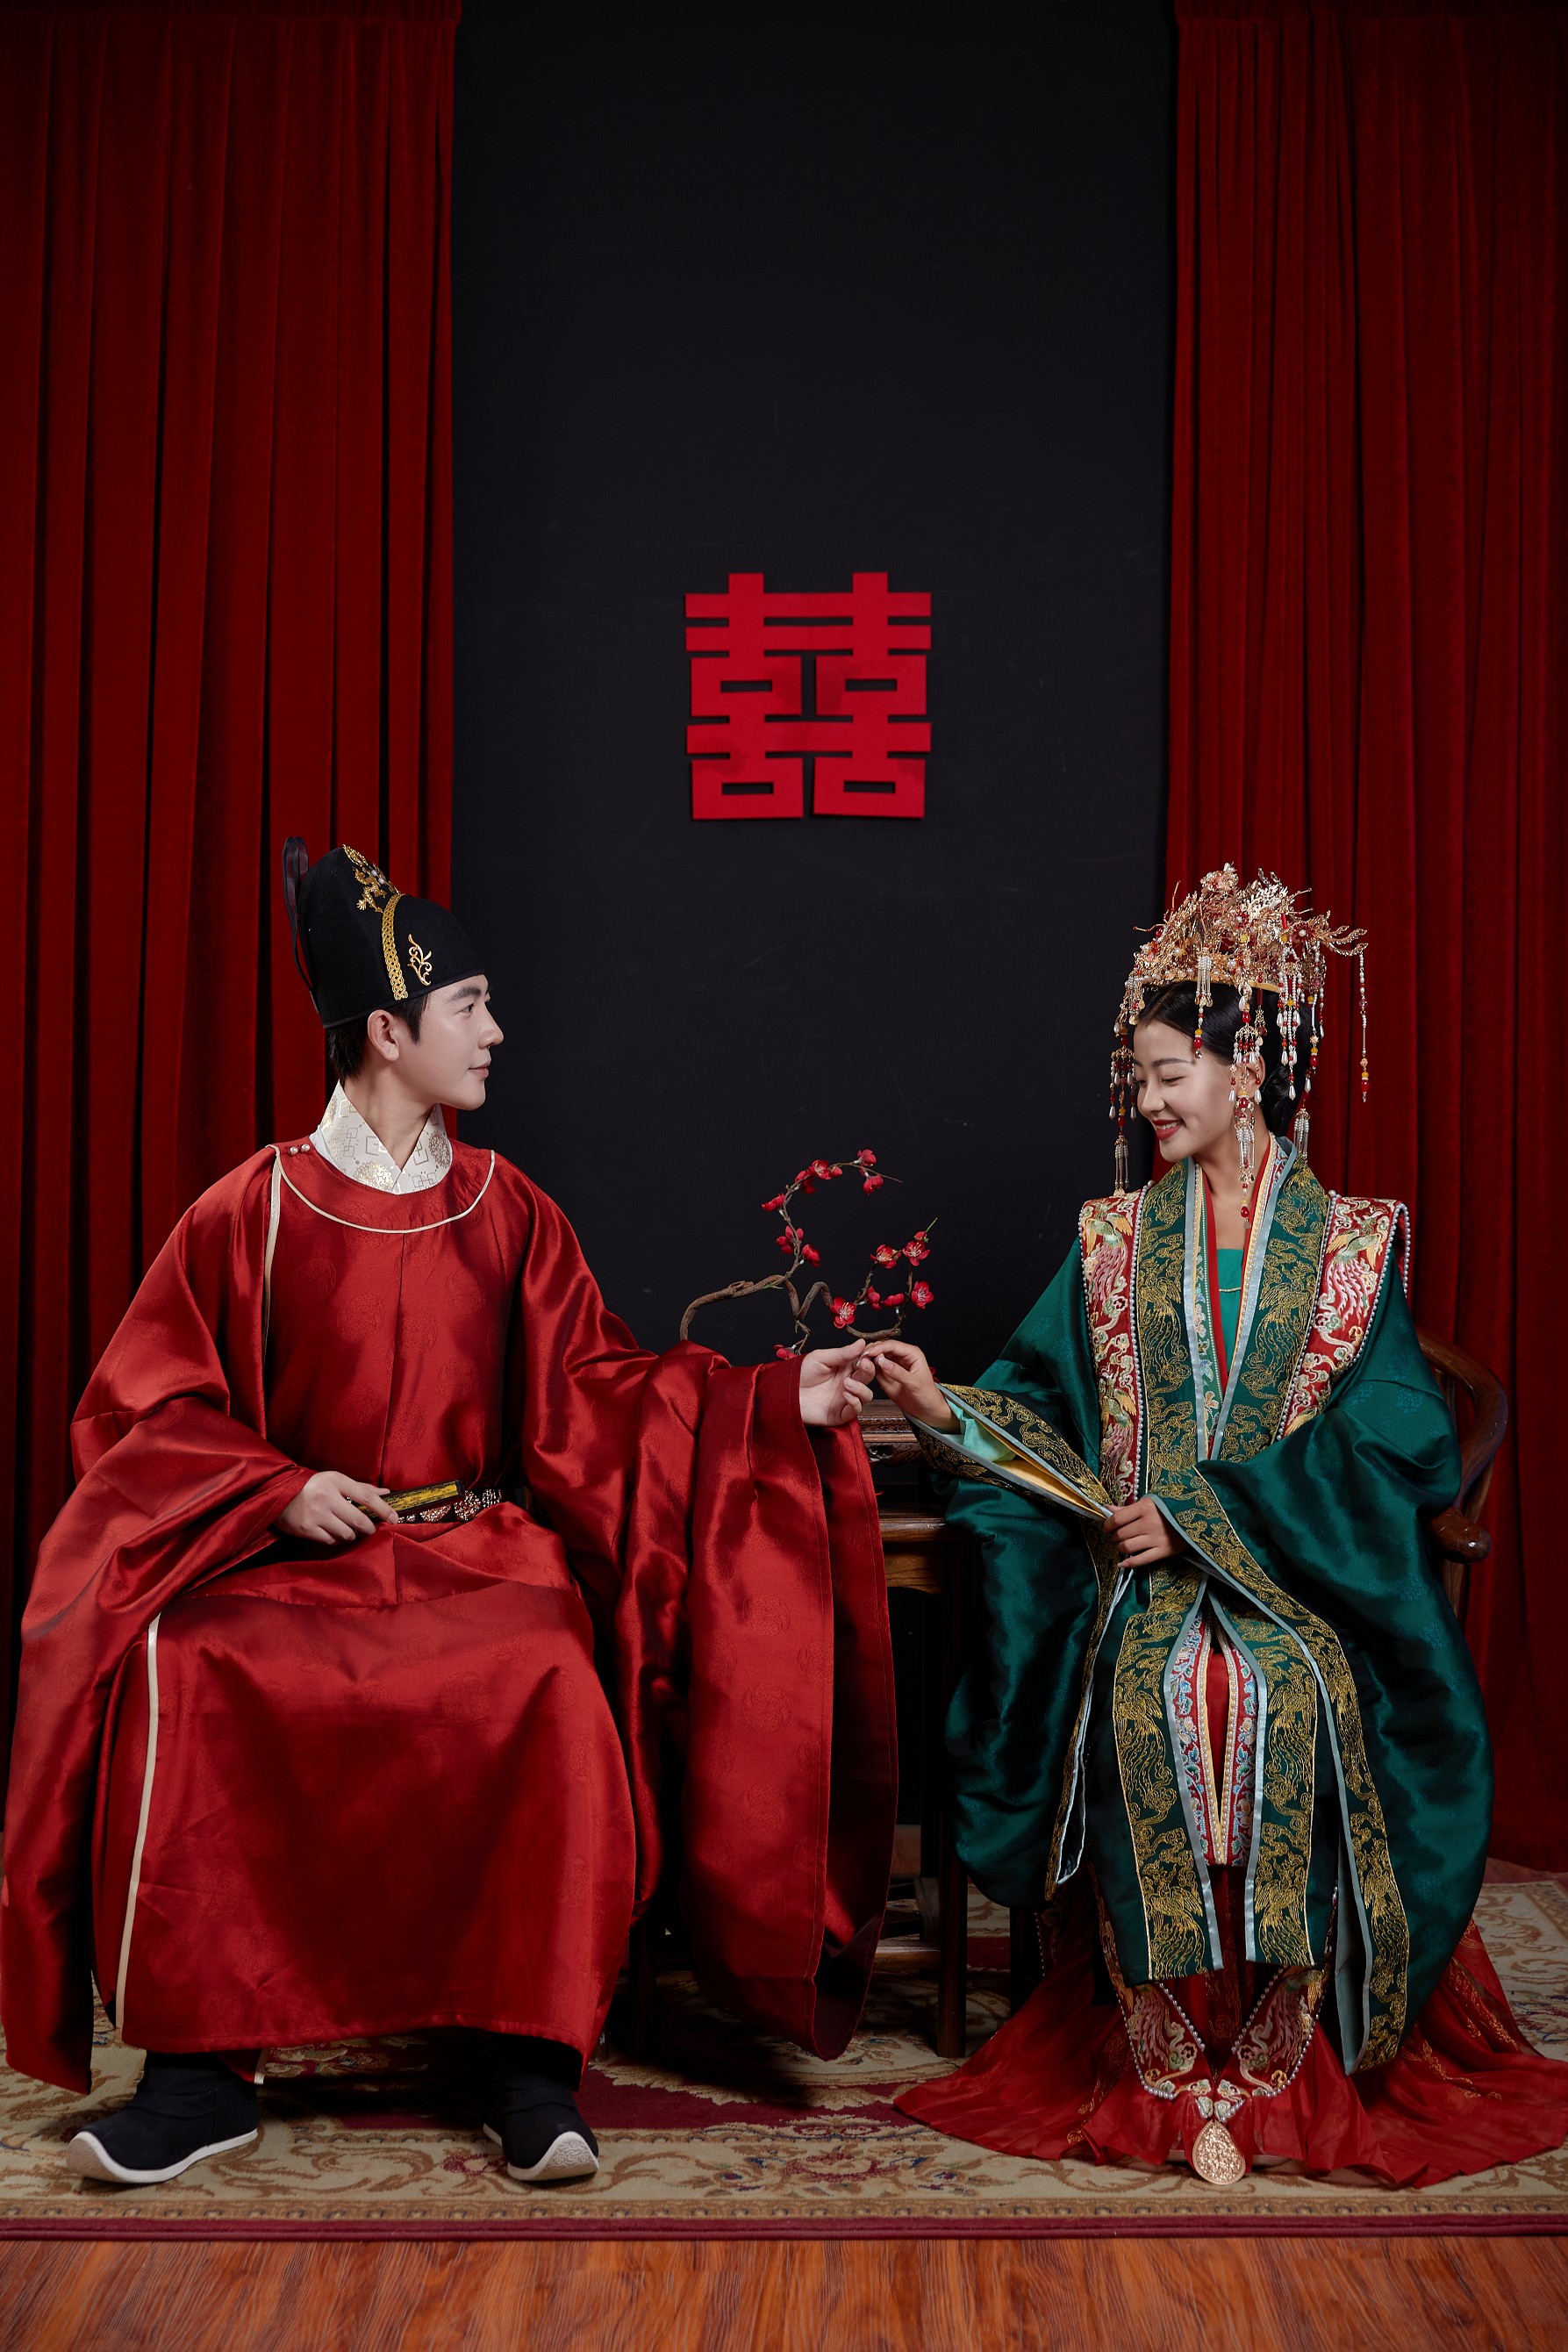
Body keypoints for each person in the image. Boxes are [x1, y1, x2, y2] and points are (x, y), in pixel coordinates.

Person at [1, 843, 895, 2189]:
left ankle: (527, 2062)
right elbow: (143, 1411)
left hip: (474, 1549)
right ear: (387, 1030)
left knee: (544, 1673)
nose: (495, 1031)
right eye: (468, 1005)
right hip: (288, 1561)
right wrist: (278, 1486)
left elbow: (596, 1393)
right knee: (194, 1663)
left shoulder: (506, 1208)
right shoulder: (251, 1211)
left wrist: (776, 1400)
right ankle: (199, 2074)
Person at [872, 867, 1568, 2186]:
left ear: (1245, 1071)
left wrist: (1197, 1510)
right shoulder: (1114, 1242)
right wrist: (941, 1408)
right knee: (1162, 1687)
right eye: (1137, 1079)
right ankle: (1161, 2047)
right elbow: (1041, 1400)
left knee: (1278, 1696)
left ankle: (1283, 2056)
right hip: (1135, 1580)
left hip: (1303, 1580)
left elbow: (1398, 1438)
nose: (1147, 1102)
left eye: (1167, 1074)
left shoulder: (1353, 1245)